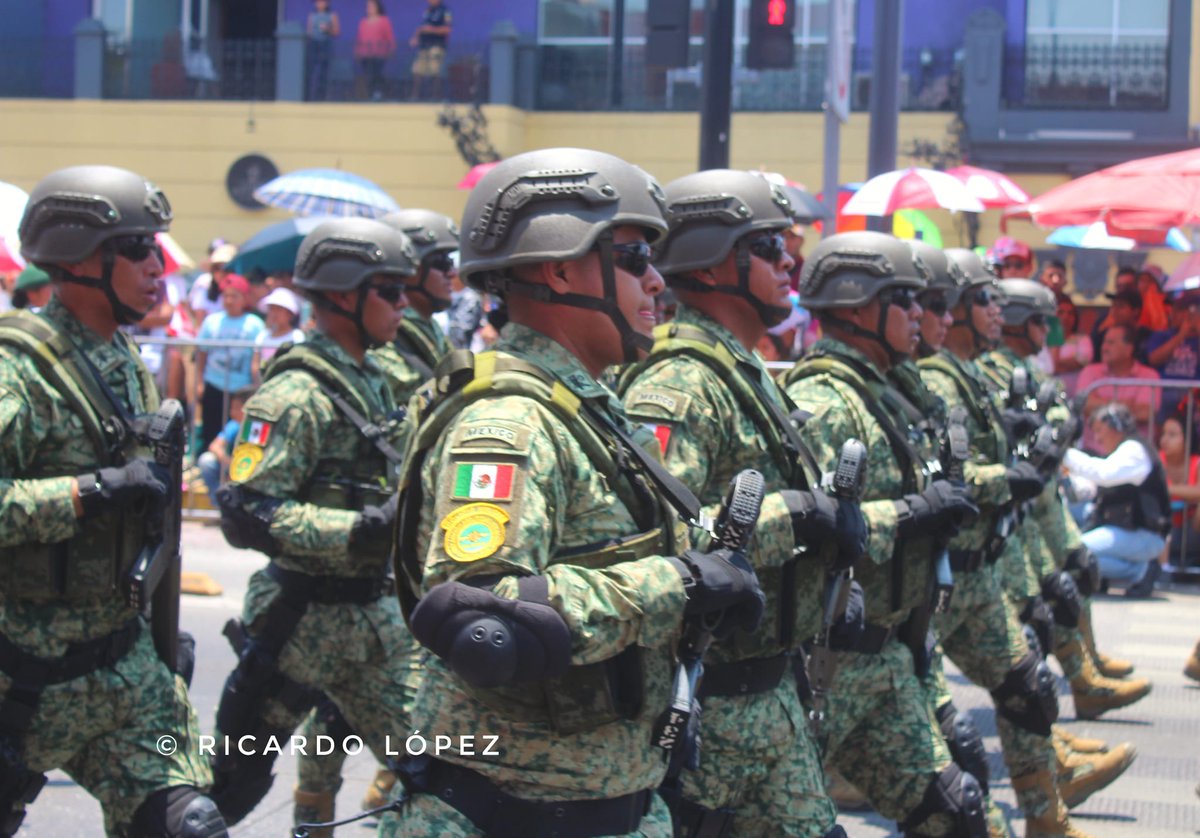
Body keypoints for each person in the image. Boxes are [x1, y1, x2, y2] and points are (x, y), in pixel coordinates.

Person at [378, 148, 767, 838]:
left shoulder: (588, 409)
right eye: (634, 260)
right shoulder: (510, 425)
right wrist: (677, 582)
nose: (657, 285)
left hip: (613, 804)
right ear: (559, 268)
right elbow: (484, 619)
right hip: (509, 813)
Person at [618, 169, 860, 837]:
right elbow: (671, 539)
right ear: (719, 258)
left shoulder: (744, 370)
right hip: (712, 708)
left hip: (772, 695)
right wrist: (799, 515)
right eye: (772, 246)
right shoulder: (680, 383)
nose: (791, 263)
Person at [0, 164, 226, 835]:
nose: (157, 266)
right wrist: (87, 492)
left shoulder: (124, 360)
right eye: (136, 249)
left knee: (190, 826)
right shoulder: (20, 370)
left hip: (122, 666)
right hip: (22, 674)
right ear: (77, 260)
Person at [207, 218, 422, 828]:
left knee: (440, 774)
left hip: (374, 626)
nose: (404, 303)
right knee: (230, 786)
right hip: (297, 627)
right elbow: (246, 511)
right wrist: (354, 532)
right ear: (343, 295)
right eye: (390, 289)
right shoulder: (295, 392)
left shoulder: (373, 380)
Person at [781, 232, 990, 838]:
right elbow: (810, 528)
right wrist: (911, 513)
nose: (922, 315)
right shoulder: (825, 399)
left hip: (890, 653)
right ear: (855, 306)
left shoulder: (886, 391)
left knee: (955, 810)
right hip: (834, 664)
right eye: (904, 299)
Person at [920, 249, 1094, 838]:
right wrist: (1008, 475)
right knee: (940, 761)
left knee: (1028, 687)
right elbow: (936, 476)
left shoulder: (967, 372)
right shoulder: (937, 378)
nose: (996, 311)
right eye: (983, 300)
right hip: (934, 582)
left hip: (982, 568)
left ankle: (1049, 817)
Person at [1065, 403, 1171, 597]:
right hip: (1124, 527)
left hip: (1144, 534)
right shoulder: (1122, 451)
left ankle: (1140, 570)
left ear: (1116, 425)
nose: (1097, 438)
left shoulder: (1134, 450)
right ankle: (1128, 570)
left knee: (1071, 552)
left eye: (1099, 430)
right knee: (1075, 515)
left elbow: (1104, 473)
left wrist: (1063, 451)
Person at [194, 274, 265, 451]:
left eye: (234, 296)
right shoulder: (212, 321)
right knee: (210, 429)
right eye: (226, 296)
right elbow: (202, 353)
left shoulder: (254, 324)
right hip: (214, 384)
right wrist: (200, 381)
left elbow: (258, 356)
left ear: (244, 298)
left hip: (241, 388)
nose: (229, 300)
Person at [1077, 324, 1160, 449]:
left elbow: (1145, 413)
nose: (1104, 347)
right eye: (1104, 342)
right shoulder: (1089, 372)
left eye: (1111, 343)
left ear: (1129, 349)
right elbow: (1084, 404)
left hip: (1133, 454)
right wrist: (1127, 406)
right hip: (1093, 452)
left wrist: (1100, 405)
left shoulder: (1149, 376)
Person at [1142, 293, 1200, 417]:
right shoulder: (1161, 335)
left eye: (1179, 310)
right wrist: (1181, 335)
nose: (1172, 313)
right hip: (1165, 390)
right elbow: (1154, 359)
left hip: (1194, 392)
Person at [1159, 414, 1200, 565]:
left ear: (1187, 437)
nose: (1165, 440)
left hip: (1191, 532)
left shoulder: (1196, 463)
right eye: (1163, 433)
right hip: (1160, 531)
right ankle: (1161, 570)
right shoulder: (1156, 460)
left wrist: (1168, 489)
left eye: (1172, 435)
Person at [197, 386, 252, 500]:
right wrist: (229, 462)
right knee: (206, 460)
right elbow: (215, 446)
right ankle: (220, 502)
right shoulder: (234, 425)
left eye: (237, 408)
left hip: (251, 471)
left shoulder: (257, 427)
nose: (232, 412)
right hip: (232, 467)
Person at [251, 286, 304, 382]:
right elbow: (256, 363)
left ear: (289, 314)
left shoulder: (297, 337)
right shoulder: (263, 336)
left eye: (279, 309)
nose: (274, 313)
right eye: (272, 309)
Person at [1089, 288, 1148, 363]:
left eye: (1120, 306)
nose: (1114, 310)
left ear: (1135, 311)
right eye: (1113, 305)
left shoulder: (1147, 336)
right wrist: (1099, 334)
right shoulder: (1104, 334)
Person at [409, 0, 451, 101]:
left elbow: (447, 29)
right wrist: (415, 37)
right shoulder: (427, 11)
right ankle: (415, 97)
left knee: (435, 71)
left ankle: (435, 97)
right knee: (418, 70)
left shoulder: (445, 11)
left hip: (436, 46)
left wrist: (431, 29)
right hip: (424, 47)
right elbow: (421, 27)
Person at [1049, 296, 1092, 396]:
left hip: (1075, 397)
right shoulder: (1041, 340)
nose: (1065, 317)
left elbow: (1081, 362)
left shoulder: (1083, 340)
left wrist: (1053, 366)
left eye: (1070, 314)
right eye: (1061, 312)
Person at [355, 0, 395, 100]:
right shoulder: (363, 21)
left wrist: (391, 49)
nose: (369, 8)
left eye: (372, 6)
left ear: (377, 7)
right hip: (365, 54)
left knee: (377, 74)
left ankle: (378, 94)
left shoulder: (384, 20)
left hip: (379, 53)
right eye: (368, 6)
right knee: (368, 75)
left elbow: (389, 37)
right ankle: (371, 94)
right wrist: (357, 51)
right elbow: (359, 38)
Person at [306, 0, 340, 101]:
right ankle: (311, 96)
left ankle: (322, 96)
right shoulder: (312, 16)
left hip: (325, 45)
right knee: (312, 71)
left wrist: (328, 29)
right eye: (318, 2)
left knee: (324, 72)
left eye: (322, 1)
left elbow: (336, 32)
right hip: (314, 45)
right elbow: (309, 33)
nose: (320, 3)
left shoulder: (332, 15)